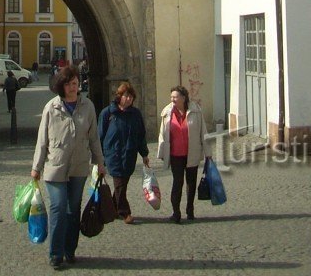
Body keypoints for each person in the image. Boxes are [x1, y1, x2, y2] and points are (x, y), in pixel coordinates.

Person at [31, 65, 106, 271]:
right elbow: (42, 140)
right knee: (57, 207)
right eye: (68, 84)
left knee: (73, 210)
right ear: (61, 86)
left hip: (79, 166)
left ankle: (69, 250)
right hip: (55, 166)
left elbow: (94, 138)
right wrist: (36, 167)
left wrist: (100, 162)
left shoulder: (87, 106)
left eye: (75, 83)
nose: (73, 87)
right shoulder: (51, 108)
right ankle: (55, 253)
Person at [98, 81, 150, 224]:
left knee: (122, 184)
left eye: (131, 97)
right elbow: (99, 136)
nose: (129, 99)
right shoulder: (107, 113)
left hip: (129, 155)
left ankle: (112, 209)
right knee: (119, 183)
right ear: (119, 96)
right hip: (113, 155)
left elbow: (140, 135)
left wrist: (144, 153)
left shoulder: (135, 114)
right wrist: (99, 158)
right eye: (126, 96)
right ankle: (124, 212)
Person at [157, 85, 209, 223]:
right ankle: (176, 213)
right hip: (175, 155)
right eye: (171, 97)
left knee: (191, 183)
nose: (172, 99)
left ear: (183, 98)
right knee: (177, 183)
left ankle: (190, 209)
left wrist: (208, 153)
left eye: (175, 97)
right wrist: (162, 152)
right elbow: (162, 134)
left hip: (192, 152)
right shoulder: (167, 112)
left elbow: (203, 133)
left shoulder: (195, 111)